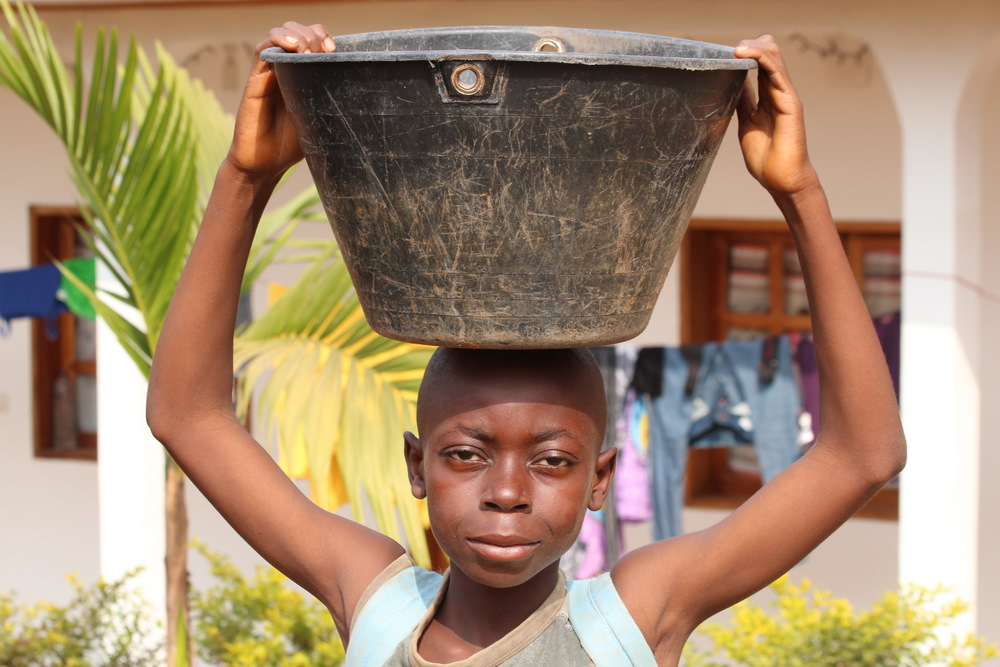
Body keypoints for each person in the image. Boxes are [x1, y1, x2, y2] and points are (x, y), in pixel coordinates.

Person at [146, 22, 906, 666]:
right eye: (465, 454)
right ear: (417, 465)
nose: (506, 491)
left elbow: (863, 454)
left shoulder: (627, 622)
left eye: (552, 461)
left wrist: (797, 191)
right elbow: (187, 416)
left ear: (601, 478)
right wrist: (246, 176)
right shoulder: (379, 608)